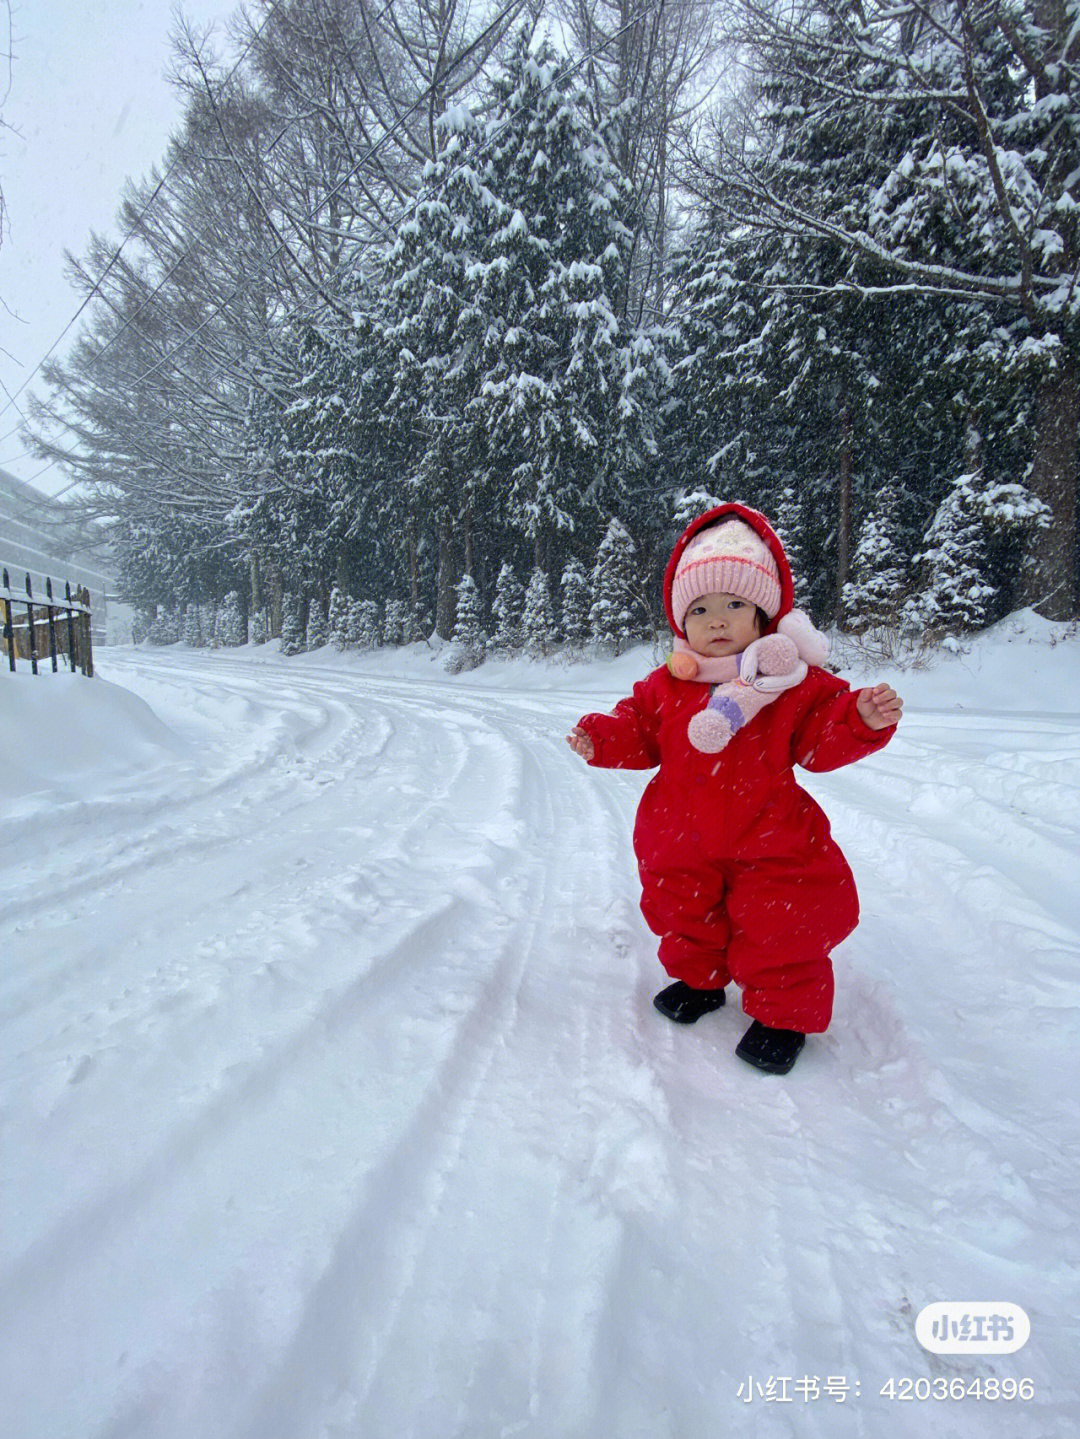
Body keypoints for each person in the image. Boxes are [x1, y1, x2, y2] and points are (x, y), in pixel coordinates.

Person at [566, 503, 902, 1074]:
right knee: (683, 912)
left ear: (764, 616)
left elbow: (823, 734)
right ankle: (699, 982)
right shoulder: (664, 687)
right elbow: (639, 731)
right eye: (700, 608)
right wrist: (602, 738)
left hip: (770, 836)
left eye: (734, 605)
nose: (717, 620)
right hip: (680, 836)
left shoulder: (788, 683)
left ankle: (783, 1015)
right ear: (680, 621)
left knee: (783, 922)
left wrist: (860, 719)